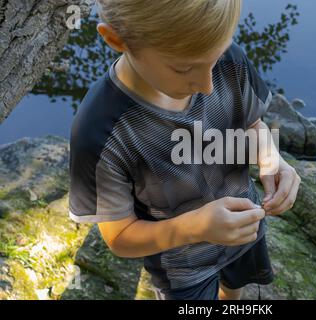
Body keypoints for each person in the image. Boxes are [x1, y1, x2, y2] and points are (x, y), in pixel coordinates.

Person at [68, 0, 301, 300]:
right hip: (182, 267)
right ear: (116, 39)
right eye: (183, 68)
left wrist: (272, 160)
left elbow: (252, 124)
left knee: (236, 286)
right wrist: (193, 228)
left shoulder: (230, 60)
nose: (206, 85)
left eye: (215, 60)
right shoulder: (99, 131)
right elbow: (120, 237)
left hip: (245, 229)